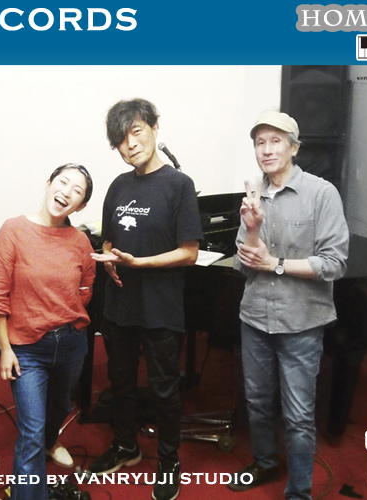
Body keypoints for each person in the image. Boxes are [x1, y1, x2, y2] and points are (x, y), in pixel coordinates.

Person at [229, 110, 349, 500]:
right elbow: (242, 264)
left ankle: (299, 491)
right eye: (260, 143)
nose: (266, 150)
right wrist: (251, 231)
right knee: (257, 402)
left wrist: (275, 264)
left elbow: (334, 263)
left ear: (294, 148)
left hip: (302, 322)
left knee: (298, 415)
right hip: (255, 318)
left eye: (275, 141)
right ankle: (265, 461)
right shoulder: (253, 197)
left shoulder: (321, 193)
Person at [88, 98, 203, 500]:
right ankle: (126, 445)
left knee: (163, 388)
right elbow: (108, 238)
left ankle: (169, 460)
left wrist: (139, 263)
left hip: (160, 306)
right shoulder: (118, 186)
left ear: (154, 128)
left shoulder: (178, 185)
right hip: (119, 304)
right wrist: (109, 259)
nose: (130, 144)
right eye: (121, 139)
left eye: (136, 132)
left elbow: (189, 252)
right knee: (119, 381)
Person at [0, 164, 96, 500]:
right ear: (49, 183)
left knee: (60, 408)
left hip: (71, 343)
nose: (66, 192)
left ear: (81, 206)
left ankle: (50, 442)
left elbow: (85, 288)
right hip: (27, 348)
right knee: (31, 431)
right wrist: (5, 349)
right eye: (63, 182)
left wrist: (67, 317)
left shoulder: (80, 242)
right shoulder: (13, 230)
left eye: (77, 191)